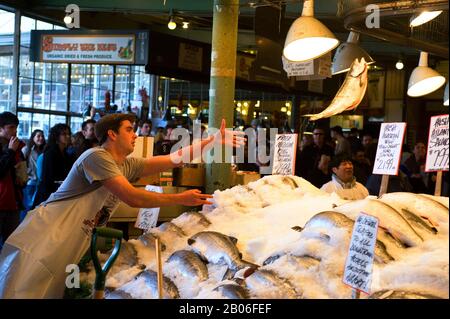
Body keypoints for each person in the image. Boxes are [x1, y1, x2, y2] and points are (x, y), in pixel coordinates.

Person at [0, 113, 244, 298]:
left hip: (72, 238)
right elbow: (133, 198)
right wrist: (179, 199)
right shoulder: (97, 157)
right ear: (112, 135)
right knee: (23, 290)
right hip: (47, 233)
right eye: (129, 130)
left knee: (50, 292)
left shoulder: (126, 165)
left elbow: (173, 160)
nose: (135, 134)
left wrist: (212, 141)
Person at [32, 124, 75, 208]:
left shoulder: (66, 154)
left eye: (68, 134)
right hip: (49, 193)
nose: (67, 136)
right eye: (64, 134)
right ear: (56, 136)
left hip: (60, 191)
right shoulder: (50, 153)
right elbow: (47, 178)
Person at [0, 112, 26, 250]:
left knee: (11, 245)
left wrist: (22, 180)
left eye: (16, 127)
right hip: (1, 201)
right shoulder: (12, 148)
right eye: (11, 127)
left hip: (14, 202)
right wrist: (10, 151)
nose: (15, 131)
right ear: (1, 128)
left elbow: (21, 171)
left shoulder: (18, 148)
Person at [20, 129, 46, 220]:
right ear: (33, 137)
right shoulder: (26, 149)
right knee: (27, 207)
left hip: (40, 183)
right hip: (30, 183)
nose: (41, 138)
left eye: (42, 136)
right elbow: (21, 165)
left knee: (37, 208)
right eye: (38, 136)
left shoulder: (44, 151)